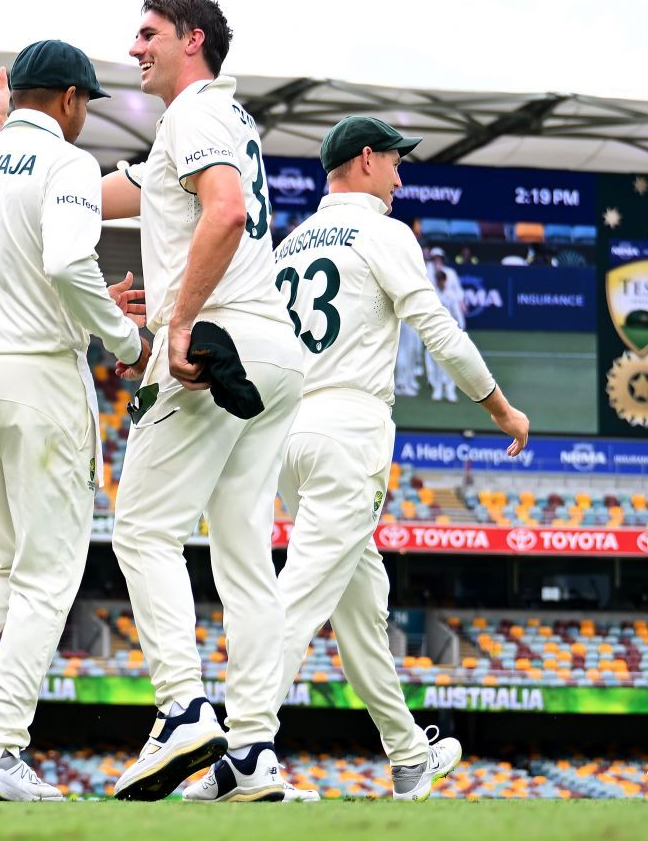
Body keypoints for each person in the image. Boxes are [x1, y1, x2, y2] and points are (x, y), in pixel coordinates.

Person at [0, 0, 306, 801]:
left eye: (148, 34)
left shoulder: (193, 115)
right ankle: (252, 753)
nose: (134, 48)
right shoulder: (225, 122)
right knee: (245, 560)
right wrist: (10, 130)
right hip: (274, 350)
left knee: (144, 529)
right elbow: (94, 196)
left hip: (217, 347)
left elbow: (226, 211)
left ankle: (183, 708)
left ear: (192, 41)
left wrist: (178, 319)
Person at [221, 116, 530, 803]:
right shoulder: (386, 234)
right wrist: (501, 409)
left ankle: (409, 754)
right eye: (394, 161)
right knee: (298, 600)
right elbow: (439, 330)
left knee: (362, 607)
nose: (400, 173)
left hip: (286, 436)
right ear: (364, 160)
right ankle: (243, 754)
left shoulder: (289, 244)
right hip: (349, 432)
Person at [0, 41, 145, 804]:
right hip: (38, 376)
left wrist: (90, 305)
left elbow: (23, 266)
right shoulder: (69, 165)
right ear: (73, 101)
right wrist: (124, 337)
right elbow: (67, 266)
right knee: (49, 571)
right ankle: (1, 745)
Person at [423, 250, 467, 402]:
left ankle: (449, 390)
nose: (441, 282)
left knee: (451, 362)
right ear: (436, 280)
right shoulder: (432, 296)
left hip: (449, 334)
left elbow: (458, 316)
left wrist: (460, 331)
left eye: (443, 279)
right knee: (433, 361)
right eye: (439, 279)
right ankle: (437, 389)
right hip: (433, 333)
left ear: (445, 280)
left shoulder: (451, 296)